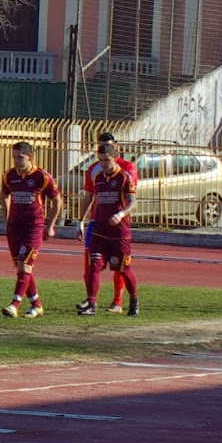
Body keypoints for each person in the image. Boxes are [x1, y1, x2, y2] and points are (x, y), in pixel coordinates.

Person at [77, 132, 140, 313]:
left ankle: (133, 301)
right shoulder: (97, 176)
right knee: (94, 265)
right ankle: (92, 304)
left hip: (119, 232)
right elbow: (89, 198)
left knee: (123, 269)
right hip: (99, 229)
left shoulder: (125, 177)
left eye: (107, 160)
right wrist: (80, 221)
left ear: (115, 157)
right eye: (101, 160)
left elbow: (133, 202)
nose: (103, 164)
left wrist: (121, 214)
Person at [1, 141, 61, 318]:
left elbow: (57, 201)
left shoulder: (42, 177)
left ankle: (14, 304)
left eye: (20, 157)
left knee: (24, 264)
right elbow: (4, 195)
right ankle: (36, 305)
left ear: (30, 157)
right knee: (23, 267)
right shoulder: (9, 176)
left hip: (34, 227)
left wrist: (50, 225)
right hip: (14, 228)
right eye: (14, 157)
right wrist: (6, 218)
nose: (16, 161)